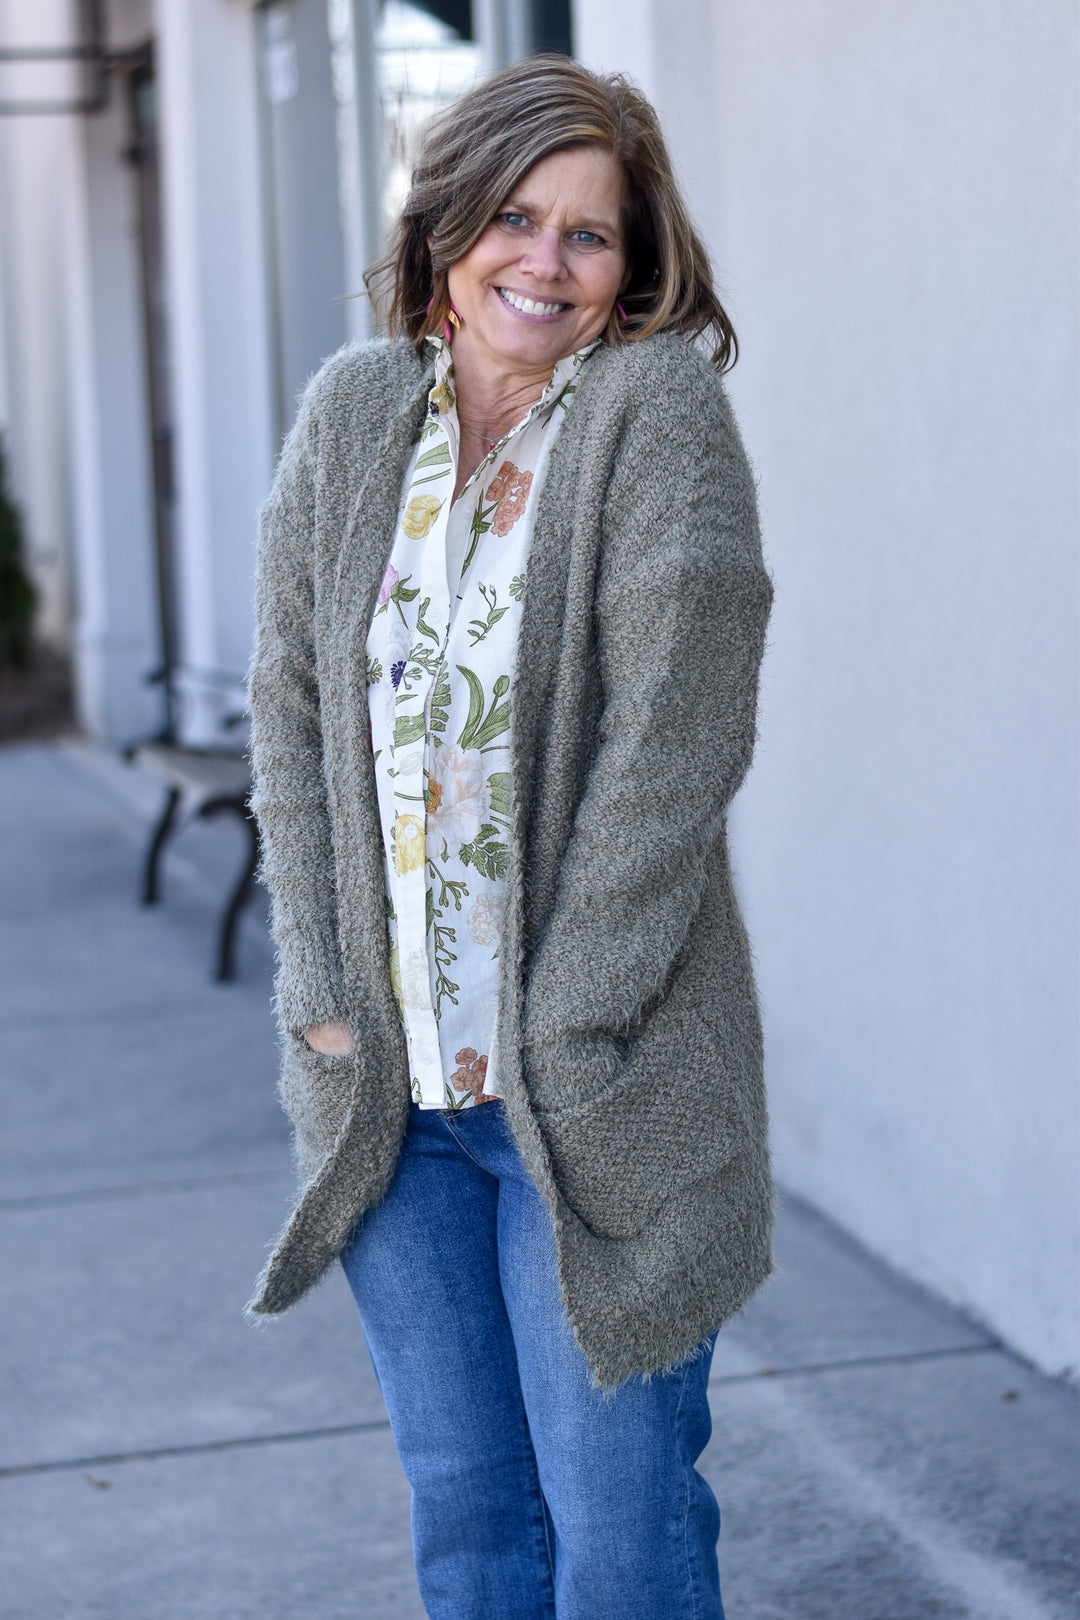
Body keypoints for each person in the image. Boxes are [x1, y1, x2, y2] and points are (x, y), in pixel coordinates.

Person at [247, 53, 773, 1620]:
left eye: (590, 234)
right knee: (471, 1520)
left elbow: (673, 745)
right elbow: (286, 709)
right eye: (515, 218)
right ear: (446, 229)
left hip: (589, 1093)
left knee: (617, 1535)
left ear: (635, 266)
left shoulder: (654, 418)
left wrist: (570, 1023)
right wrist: (324, 988)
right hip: (390, 1101)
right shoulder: (354, 417)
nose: (544, 260)